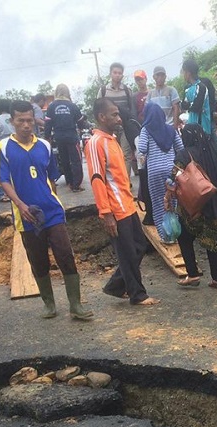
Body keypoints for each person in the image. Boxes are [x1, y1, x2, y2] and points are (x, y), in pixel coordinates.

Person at [0, 100, 93, 321]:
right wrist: (20, 205)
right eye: (21, 121)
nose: (27, 125)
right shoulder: (4, 147)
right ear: (12, 122)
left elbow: (51, 177)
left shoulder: (44, 145)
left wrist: (53, 199)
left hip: (52, 211)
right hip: (26, 215)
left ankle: (75, 305)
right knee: (38, 260)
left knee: (65, 254)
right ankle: (49, 304)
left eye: (30, 120)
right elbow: (3, 181)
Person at [86, 98, 160, 307]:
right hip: (115, 210)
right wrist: (106, 213)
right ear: (102, 117)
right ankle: (138, 295)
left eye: (118, 114)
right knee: (128, 252)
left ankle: (116, 286)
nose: (119, 119)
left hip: (127, 204)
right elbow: (97, 179)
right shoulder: (95, 143)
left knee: (139, 246)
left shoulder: (112, 140)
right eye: (114, 115)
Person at [170, 124, 217, 289]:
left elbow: (173, 176)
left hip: (193, 208)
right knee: (213, 241)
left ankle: (193, 274)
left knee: (184, 238)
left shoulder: (184, 154)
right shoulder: (214, 153)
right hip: (214, 205)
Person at [138, 103, 185, 241]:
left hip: (154, 172)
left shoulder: (146, 130)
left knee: (159, 202)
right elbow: (181, 148)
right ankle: (176, 233)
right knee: (173, 201)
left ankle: (165, 236)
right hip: (172, 170)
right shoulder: (171, 129)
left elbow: (142, 149)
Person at [97, 62, 139, 175]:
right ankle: (115, 179)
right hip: (109, 129)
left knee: (126, 154)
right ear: (110, 74)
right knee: (111, 155)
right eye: (115, 72)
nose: (117, 75)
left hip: (125, 127)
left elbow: (132, 110)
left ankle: (125, 182)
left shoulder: (127, 90)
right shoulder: (103, 91)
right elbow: (98, 109)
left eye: (120, 73)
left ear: (122, 75)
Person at [44, 84, 86, 192]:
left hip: (59, 137)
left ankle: (69, 182)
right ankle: (77, 185)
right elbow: (80, 121)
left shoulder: (51, 106)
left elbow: (48, 123)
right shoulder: (72, 106)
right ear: (68, 92)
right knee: (76, 160)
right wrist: (81, 129)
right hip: (71, 136)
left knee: (64, 160)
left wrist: (47, 137)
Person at [181, 59, 212, 135]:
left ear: (188, 73)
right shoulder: (187, 88)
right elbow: (183, 105)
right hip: (191, 126)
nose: (183, 74)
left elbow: (197, 106)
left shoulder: (201, 87)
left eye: (183, 72)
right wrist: (189, 105)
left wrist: (188, 105)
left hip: (202, 127)